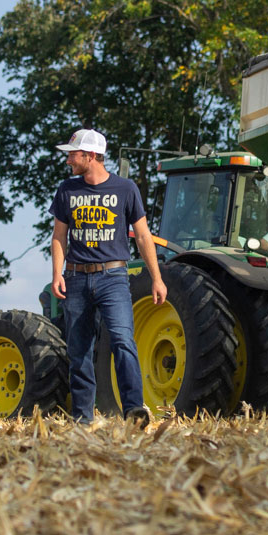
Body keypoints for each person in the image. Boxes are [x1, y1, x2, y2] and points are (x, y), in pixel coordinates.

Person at [49, 128, 166, 423]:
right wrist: (57, 274)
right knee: (79, 350)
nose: (68, 161)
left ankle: (134, 410)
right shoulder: (67, 190)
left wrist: (157, 277)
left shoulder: (126, 189)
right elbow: (59, 237)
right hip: (75, 279)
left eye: (73, 155)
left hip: (113, 278)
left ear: (90, 156)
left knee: (123, 340)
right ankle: (82, 418)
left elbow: (142, 236)